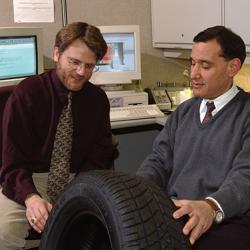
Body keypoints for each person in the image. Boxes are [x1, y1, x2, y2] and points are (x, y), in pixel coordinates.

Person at [0, 22, 113, 249]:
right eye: (74, 62)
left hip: (77, 180)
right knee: (4, 232)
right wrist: (30, 198)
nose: (82, 72)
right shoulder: (27, 94)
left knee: (111, 227)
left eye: (90, 66)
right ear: (56, 54)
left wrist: (79, 190)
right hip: (29, 179)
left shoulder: (97, 100)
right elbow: (12, 163)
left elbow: (98, 158)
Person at [137, 25, 250, 250]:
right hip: (178, 213)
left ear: (233, 67)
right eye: (192, 63)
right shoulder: (184, 112)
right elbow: (158, 162)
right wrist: (137, 192)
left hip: (225, 217)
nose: (194, 73)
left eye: (205, 65)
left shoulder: (246, 114)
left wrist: (210, 207)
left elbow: (245, 177)